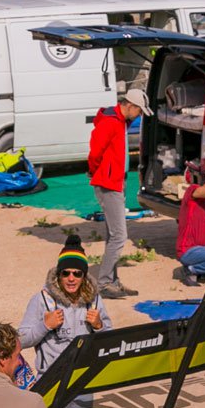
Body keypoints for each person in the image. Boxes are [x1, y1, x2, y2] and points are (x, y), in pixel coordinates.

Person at [18, 240, 109, 408]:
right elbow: (21, 339)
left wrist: (100, 326)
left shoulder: (94, 300)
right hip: (51, 384)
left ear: (84, 276)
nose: (71, 278)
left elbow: (112, 341)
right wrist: (45, 326)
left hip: (82, 384)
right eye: (65, 273)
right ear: (58, 275)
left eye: (77, 273)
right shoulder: (41, 300)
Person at [87, 88, 146, 298]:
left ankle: (113, 281)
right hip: (108, 184)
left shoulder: (120, 121)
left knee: (113, 234)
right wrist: (98, 172)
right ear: (129, 105)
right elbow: (95, 152)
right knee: (120, 236)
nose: (139, 116)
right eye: (139, 111)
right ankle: (104, 284)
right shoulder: (111, 122)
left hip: (116, 182)